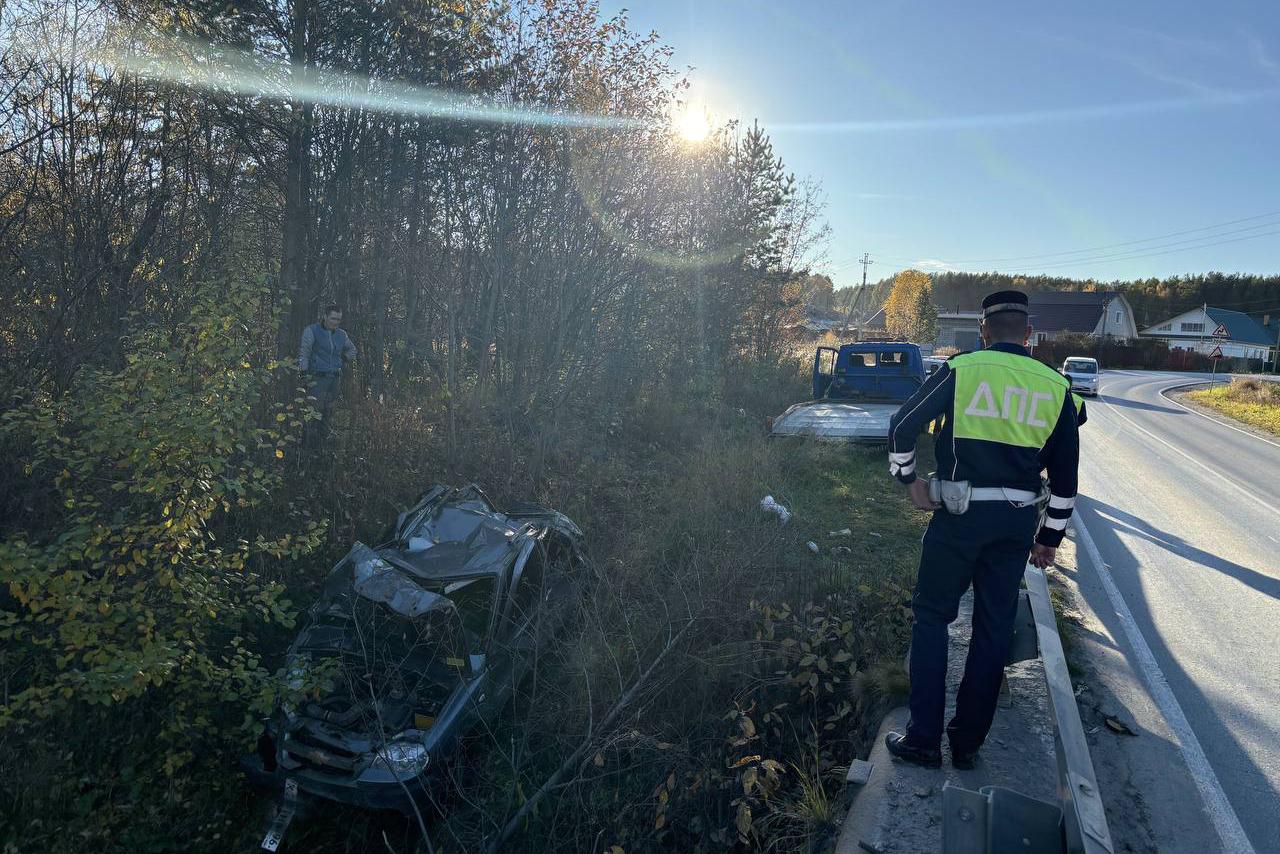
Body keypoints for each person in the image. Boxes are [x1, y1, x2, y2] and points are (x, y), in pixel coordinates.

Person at [881, 290, 1079, 770]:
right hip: (1013, 526)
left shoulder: (961, 369)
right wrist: (1048, 541)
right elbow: (1067, 484)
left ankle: (923, 738)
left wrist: (910, 482)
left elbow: (901, 425)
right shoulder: (1058, 389)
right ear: (1029, 336)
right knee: (992, 631)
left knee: (931, 618)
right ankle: (967, 744)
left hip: (957, 519)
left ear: (984, 331)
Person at [298, 304, 356, 446]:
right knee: (313, 412)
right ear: (325, 317)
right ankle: (307, 445)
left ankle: (323, 445)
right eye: (333, 318)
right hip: (317, 378)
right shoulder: (311, 331)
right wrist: (303, 373)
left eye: (338, 319)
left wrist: (345, 358)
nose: (335, 322)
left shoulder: (342, 335)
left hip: (335, 379)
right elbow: (304, 353)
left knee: (328, 411)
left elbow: (353, 350)